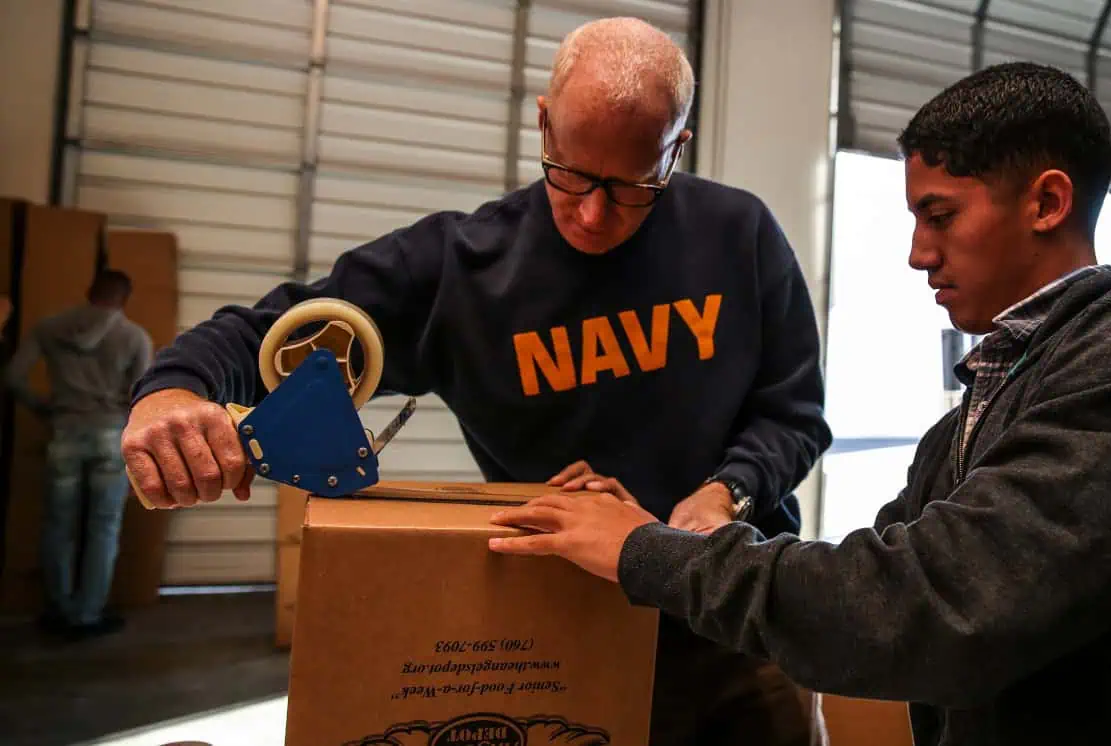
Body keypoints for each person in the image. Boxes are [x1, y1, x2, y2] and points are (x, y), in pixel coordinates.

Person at [487, 61, 1111, 744]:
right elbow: (859, 586)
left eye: (940, 216)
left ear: (1047, 203)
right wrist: (664, 537)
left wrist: (644, 553)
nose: (917, 254)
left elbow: (927, 608)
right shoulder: (973, 416)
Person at [120, 17, 832, 746]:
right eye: (572, 175)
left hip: (732, 631)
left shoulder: (737, 236)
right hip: (560, 633)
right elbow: (272, 330)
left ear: (676, 147)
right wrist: (173, 391)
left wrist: (725, 493)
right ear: (545, 123)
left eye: (629, 188)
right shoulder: (461, 271)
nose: (592, 214)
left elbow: (796, 414)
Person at [5, 269, 154, 639]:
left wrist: (44, 408)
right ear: (124, 299)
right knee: (104, 527)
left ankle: (59, 609)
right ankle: (88, 613)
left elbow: (11, 377)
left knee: (58, 525)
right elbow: (145, 395)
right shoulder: (134, 336)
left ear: (89, 292)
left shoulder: (49, 328)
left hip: (64, 432)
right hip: (110, 435)